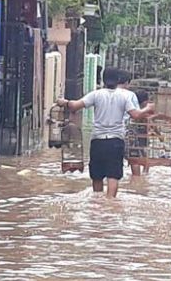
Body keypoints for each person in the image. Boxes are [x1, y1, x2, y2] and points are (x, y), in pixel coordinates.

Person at [57, 67, 154, 198]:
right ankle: (110, 203)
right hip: (116, 141)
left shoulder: (96, 94)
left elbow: (75, 106)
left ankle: (97, 203)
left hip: (98, 141)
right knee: (113, 175)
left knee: (97, 175)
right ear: (118, 80)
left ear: (103, 79)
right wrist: (147, 108)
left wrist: (65, 102)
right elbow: (136, 115)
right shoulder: (124, 96)